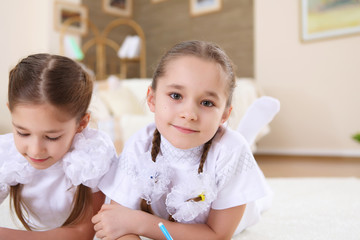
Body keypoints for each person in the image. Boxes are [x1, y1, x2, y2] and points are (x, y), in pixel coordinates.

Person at [92, 40, 273, 240]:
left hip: (238, 206)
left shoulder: (230, 152)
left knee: (261, 195)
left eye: (206, 102)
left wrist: (140, 223)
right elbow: (118, 223)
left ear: (224, 115)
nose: (189, 114)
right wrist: (128, 225)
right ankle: (245, 134)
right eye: (176, 95)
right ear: (152, 99)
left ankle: (246, 135)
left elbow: (217, 236)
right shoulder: (139, 145)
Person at [0, 53, 117, 240]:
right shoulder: (7, 154)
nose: (35, 149)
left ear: (81, 123)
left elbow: (82, 234)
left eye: (51, 137)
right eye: (23, 133)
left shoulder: (91, 158)